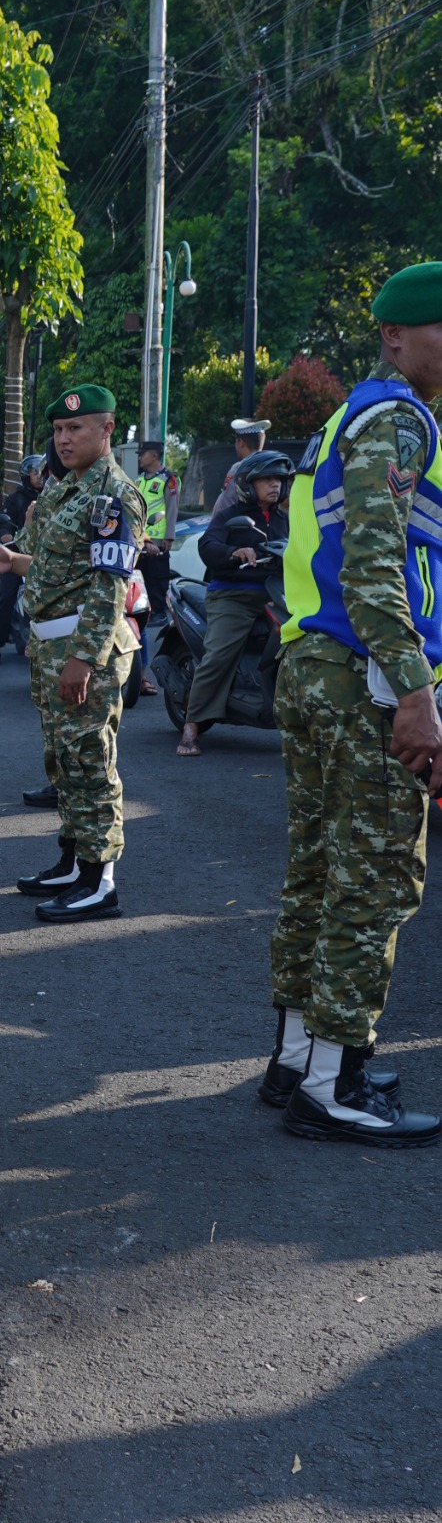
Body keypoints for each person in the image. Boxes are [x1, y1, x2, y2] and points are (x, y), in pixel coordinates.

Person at [264, 262, 442, 1147]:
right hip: (361, 670)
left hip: (313, 661)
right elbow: (376, 570)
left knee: (321, 869)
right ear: (397, 336)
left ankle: (299, 1056)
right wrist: (415, 688)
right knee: (372, 879)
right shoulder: (400, 420)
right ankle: (337, 1083)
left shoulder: (354, 412)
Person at [0, 385, 146, 920]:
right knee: (63, 763)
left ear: (107, 430)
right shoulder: (63, 490)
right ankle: (74, 862)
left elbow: (108, 586)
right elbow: (57, 569)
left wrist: (83, 660)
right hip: (52, 645)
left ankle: (100, 882)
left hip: (82, 649)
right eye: (58, 430)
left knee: (91, 762)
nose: (64, 439)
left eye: (76, 429)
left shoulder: (113, 495)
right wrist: (12, 561)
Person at [175, 453, 293, 757]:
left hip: (276, 594)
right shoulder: (232, 514)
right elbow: (208, 545)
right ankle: (192, 726)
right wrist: (235, 552)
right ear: (248, 484)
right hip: (234, 595)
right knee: (219, 654)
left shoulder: (285, 520)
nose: (275, 485)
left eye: (279, 479)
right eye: (267, 479)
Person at [0, 454, 42, 667]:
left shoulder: (53, 497)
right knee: (7, 595)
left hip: (44, 556)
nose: (39, 476)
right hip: (17, 555)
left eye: (42, 472)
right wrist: (6, 536)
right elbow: (4, 523)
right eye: (35, 472)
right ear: (25, 475)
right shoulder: (15, 499)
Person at [134, 439, 179, 696]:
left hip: (158, 543)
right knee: (142, 589)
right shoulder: (140, 479)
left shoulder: (168, 479)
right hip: (140, 543)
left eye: (143, 454)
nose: (140, 457)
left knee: (158, 583)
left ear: (154, 455)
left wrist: (169, 538)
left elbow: (171, 509)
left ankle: (162, 615)